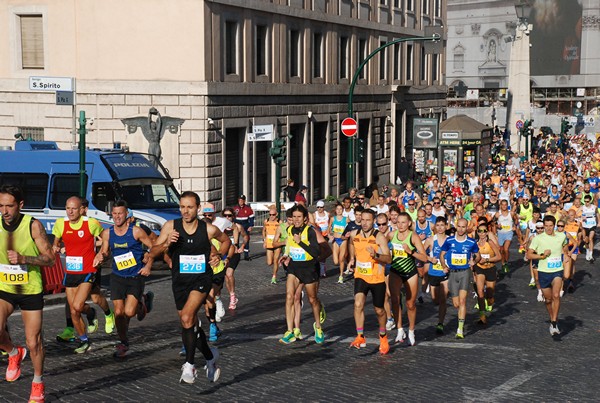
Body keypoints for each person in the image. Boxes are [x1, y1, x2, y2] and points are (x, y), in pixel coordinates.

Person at [149, 191, 230, 384]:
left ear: (198, 208)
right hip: (180, 281)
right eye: (182, 207)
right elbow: (153, 251)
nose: (185, 211)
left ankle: (189, 365)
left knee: (187, 317)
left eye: (190, 207)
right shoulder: (171, 227)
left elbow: (226, 241)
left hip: (201, 280)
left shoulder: (208, 229)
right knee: (189, 323)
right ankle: (210, 358)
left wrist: (218, 254)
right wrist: (167, 243)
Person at [0, 185, 55, 403]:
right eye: (1, 205)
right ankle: (14, 353)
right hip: (4, 287)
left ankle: (38, 382)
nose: (4, 211)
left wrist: (25, 259)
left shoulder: (33, 226)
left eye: (9, 206)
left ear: (20, 205)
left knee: (34, 342)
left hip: (30, 289)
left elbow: (50, 259)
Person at [93, 201, 156, 358]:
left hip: (135, 276)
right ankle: (123, 342)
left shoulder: (136, 232)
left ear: (126, 214)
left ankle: (142, 303)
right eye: (114, 214)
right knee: (119, 313)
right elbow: (105, 251)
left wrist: (148, 262)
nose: (117, 217)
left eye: (120, 213)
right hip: (118, 277)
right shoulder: (108, 233)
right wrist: (101, 256)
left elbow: (153, 247)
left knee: (129, 311)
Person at [52, 196, 114, 354]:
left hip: (88, 270)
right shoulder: (61, 224)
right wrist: (56, 247)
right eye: (67, 208)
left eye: (73, 208)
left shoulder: (90, 223)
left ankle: (103, 313)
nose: (70, 211)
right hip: (71, 271)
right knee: (74, 311)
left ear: (81, 210)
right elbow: (56, 242)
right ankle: (84, 339)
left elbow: (105, 239)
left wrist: (100, 254)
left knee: (78, 306)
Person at [278, 205, 325, 345]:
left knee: (312, 300)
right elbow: (289, 245)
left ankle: (318, 327)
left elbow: (316, 252)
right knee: (289, 296)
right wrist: (285, 255)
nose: (296, 220)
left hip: (309, 268)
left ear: (304, 218)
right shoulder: (289, 229)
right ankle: (289, 331)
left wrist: (301, 243)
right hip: (294, 268)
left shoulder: (310, 231)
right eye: (294, 217)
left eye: (299, 217)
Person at [347, 209, 392, 354]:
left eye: (368, 220)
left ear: (373, 221)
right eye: (362, 219)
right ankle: (360, 336)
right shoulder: (355, 234)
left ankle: (383, 335)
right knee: (358, 303)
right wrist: (352, 259)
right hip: (360, 276)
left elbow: (388, 258)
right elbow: (352, 245)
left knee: (379, 310)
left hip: (376, 278)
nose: (364, 223)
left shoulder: (379, 237)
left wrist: (376, 255)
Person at [387, 212, 428, 345]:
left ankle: (411, 330)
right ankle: (399, 329)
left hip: (410, 272)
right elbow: (381, 244)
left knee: (410, 304)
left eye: (403, 222)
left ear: (409, 223)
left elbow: (424, 257)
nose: (400, 225)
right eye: (398, 222)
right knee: (395, 300)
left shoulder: (413, 236)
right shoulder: (392, 235)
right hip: (395, 271)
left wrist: (411, 252)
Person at [527, 215, 569, 336]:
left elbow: (565, 245)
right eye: (546, 226)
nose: (549, 228)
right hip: (544, 272)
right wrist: (541, 256)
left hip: (557, 270)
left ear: (554, 226)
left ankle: (554, 322)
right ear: (543, 226)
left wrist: (565, 254)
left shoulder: (561, 236)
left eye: (551, 226)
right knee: (548, 299)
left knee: (556, 295)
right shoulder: (538, 238)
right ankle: (552, 319)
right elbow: (529, 255)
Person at [439, 218, 481, 339]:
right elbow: (442, 254)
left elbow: (478, 256)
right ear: (456, 226)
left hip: (465, 272)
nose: (461, 229)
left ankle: (460, 329)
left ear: (467, 227)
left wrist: (474, 261)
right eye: (459, 227)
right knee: (456, 303)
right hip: (453, 273)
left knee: (463, 301)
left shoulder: (471, 242)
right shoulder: (449, 240)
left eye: (464, 227)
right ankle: (461, 316)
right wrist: (443, 266)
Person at [423, 216, 449, 334]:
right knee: (435, 300)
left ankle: (440, 323)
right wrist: (429, 258)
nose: (440, 228)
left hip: (445, 273)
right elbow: (421, 253)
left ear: (446, 226)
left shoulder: (450, 240)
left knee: (443, 300)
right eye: (437, 225)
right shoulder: (430, 240)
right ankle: (440, 312)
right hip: (433, 273)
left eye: (442, 225)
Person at [473, 223, 502, 324]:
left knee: (489, 295)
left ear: (487, 232)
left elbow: (499, 257)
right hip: (479, 268)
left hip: (490, 269)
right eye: (480, 231)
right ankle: (482, 315)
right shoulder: (475, 243)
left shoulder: (490, 243)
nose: (482, 233)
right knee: (480, 292)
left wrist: (486, 260)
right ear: (477, 232)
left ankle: (490, 299)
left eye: (484, 231)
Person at [221, 207, 248, 310]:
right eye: (225, 215)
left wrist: (242, 246)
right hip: (224, 253)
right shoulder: (220, 227)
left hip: (235, 253)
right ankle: (232, 294)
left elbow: (246, 236)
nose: (227, 217)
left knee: (229, 274)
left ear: (233, 216)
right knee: (226, 277)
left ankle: (232, 297)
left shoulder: (238, 227)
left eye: (229, 215)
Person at [310, 200, 330, 277]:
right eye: (318, 207)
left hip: (325, 236)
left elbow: (330, 223)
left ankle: (322, 269)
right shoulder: (314, 215)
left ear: (323, 207)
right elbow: (312, 224)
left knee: (323, 251)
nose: (319, 209)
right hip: (317, 236)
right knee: (316, 252)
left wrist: (329, 231)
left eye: (321, 207)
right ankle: (317, 267)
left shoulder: (327, 214)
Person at [262, 206, 281, 284]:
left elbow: (282, 232)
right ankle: (275, 266)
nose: (271, 216)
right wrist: (264, 240)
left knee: (275, 260)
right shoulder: (266, 221)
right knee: (270, 262)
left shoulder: (279, 222)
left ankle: (274, 276)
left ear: (276, 214)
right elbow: (263, 231)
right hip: (269, 243)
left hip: (277, 243)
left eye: (273, 215)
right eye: (270, 214)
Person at [233, 195, 254, 260]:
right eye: (239, 200)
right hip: (237, 224)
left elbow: (251, 218)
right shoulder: (235, 208)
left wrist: (251, 226)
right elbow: (232, 217)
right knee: (236, 239)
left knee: (246, 239)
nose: (240, 202)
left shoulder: (248, 208)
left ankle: (246, 255)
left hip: (245, 225)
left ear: (244, 201)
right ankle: (237, 254)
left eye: (242, 200)